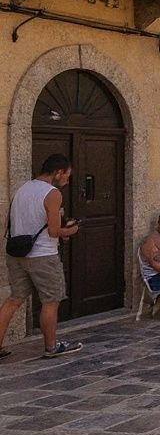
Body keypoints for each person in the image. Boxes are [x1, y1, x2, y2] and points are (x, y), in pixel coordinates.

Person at [0, 153, 83, 359]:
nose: (67, 180)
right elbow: (54, 231)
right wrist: (72, 231)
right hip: (43, 255)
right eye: (66, 175)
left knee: (14, 300)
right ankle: (51, 346)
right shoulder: (52, 193)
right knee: (51, 300)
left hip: (17, 254)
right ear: (58, 172)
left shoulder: (22, 189)